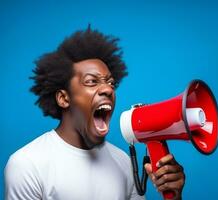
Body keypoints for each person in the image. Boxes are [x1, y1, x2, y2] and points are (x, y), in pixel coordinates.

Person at [4, 27, 185, 200]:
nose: (107, 89)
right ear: (63, 98)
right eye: (91, 81)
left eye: (111, 83)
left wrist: (173, 197)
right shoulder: (27, 164)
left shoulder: (123, 162)